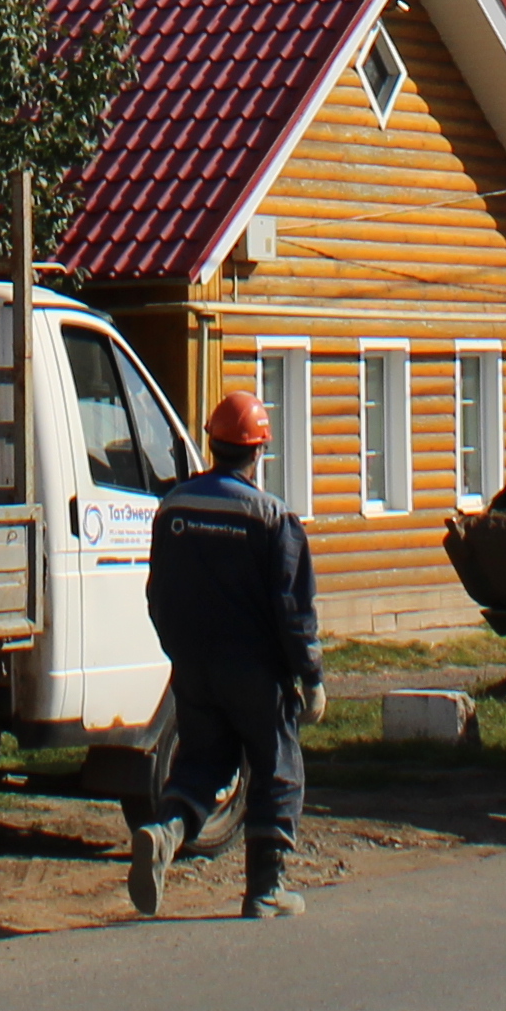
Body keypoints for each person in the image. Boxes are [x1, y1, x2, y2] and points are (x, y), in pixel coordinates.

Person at [131, 383, 321, 922]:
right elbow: (294, 608)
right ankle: (266, 889)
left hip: (193, 667)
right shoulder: (272, 518)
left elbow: (157, 592)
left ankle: (166, 831)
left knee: (202, 762)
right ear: (259, 452)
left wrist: (180, 651)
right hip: (256, 673)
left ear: (212, 444)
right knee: (278, 768)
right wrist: (311, 677)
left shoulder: (173, 507)